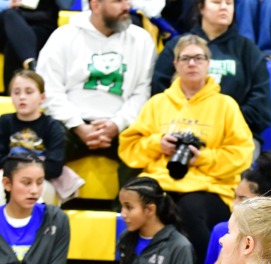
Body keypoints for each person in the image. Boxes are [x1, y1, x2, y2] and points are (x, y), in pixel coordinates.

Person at [119, 34, 254, 264]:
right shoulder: (158, 103)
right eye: (185, 58)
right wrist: (158, 144)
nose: (192, 63)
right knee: (143, 206)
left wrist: (202, 158)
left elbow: (242, 154)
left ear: (208, 63)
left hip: (209, 187)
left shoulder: (226, 105)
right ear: (176, 64)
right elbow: (129, 148)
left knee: (190, 210)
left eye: (198, 58)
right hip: (162, 183)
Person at [36, 0, 157, 188]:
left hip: (122, 127)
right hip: (68, 126)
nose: (127, 6)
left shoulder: (142, 40)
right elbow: (49, 89)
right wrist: (77, 125)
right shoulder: (64, 36)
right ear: (96, 5)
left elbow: (143, 92)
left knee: (144, 155)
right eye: (118, 1)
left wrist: (117, 124)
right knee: (34, 155)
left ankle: (126, 207)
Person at [151, 0, 271, 159]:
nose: (224, 7)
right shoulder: (178, 46)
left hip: (234, 138)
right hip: (180, 133)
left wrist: (219, 122)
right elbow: (159, 93)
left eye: (229, 3)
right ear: (200, 7)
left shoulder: (249, 50)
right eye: (216, 2)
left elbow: (262, 109)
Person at [0, 70, 74, 206]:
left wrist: (20, 170)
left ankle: (33, 219)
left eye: (29, 92)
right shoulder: (4, 122)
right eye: (16, 92)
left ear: (42, 97)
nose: (22, 97)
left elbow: (54, 167)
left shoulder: (53, 126)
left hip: (42, 181)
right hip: (8, 177)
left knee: (33, 189)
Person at [0, 0, 66, 94]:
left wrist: (19, 14)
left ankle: (11, 92)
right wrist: (7, 4)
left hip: (39, 30)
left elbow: (49, 16)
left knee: (15, 41)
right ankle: (31, 63)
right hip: (6, 26)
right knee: (9, 15)